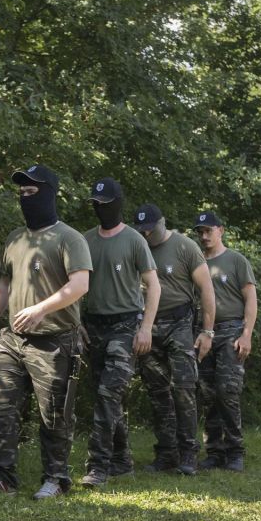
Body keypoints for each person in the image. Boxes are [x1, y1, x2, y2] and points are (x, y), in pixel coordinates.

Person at [0, 164, 91, 499]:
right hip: (12, 340)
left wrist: (41, 308)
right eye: (22, 193)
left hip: (54, 341)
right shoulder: (15, 238)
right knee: (0, 404)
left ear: (49, 194)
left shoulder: (69, 238)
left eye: (33, 192)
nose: (26, 198)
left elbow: (80, 285)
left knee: (54, 414)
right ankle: (2, 477)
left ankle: (56, 479)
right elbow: (5, 282)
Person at [80, 178, 160, 487]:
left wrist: (146, 328)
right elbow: (74, 285)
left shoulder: (134, 240)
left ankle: (97, 466)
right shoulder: (85, 240)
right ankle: (122, 459)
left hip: (126, 325)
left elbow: (153, 285)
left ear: (116, 203)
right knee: (108, 397)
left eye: (105, 203)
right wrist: (77, 324)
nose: (100, 208)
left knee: (107, 394)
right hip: (94, 325)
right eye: (95, 204)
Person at [131, 203, 216, 475]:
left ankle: (188, 453)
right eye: (141, 230)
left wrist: (207, 331)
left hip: (179, 324)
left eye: (150, 230)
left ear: (162, 223)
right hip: (148, 326)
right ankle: (166, 452)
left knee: (184, 388)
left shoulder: (184, 246)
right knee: (157, 392)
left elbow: (206, 289)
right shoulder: (137, 247)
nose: (146, 235)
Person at [194, 211, 257, 471]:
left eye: (209, 230)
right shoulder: (196, 262)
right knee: (208, 392)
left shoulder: (236, 261)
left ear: (221, 230)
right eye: (200, 231)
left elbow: (251, 299)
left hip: (231, 330)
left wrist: (246, 334)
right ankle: (215, 451)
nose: (204, 236)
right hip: (203, 332)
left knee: (227, 391)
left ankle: (235, 451)